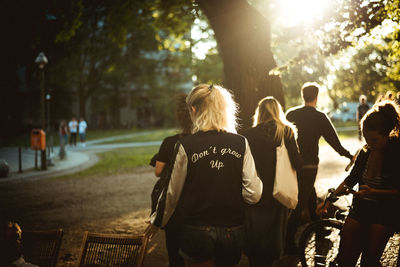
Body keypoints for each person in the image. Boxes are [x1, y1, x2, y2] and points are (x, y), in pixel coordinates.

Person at [149, 84, 263, 267]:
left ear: (193, 110)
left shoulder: (186, 145)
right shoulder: (241, 143)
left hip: (196, 229)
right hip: (232, 229)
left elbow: (172, 193)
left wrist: (157, 221)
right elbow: (254, 194)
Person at [317, 100, 400, 266]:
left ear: (386, 134)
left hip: (384, 211)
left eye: (374, 140)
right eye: (366, 138)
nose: (369, 143)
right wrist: (330, 199)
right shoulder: (365, 151)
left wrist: (373, 192)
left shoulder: (396, 152)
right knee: (346, 259)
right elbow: (351, 179)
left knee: (369, 261)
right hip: (360, 208)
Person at [285, 82, 353, 254]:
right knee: (300, 204)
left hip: (291, 164)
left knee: (310, 194)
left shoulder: (291, 114)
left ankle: (318, 226)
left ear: (303, 95)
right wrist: (349, 155)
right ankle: (288, 242)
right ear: (316, 97)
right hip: (309, 165)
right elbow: (333, 141)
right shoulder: (320, 117)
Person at [242, 97, 302, 267]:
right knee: (273, 237)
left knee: (255, 236)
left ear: (259, 113)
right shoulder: (287, 132)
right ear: (278, 111)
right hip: (278, 192)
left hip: (255, 192)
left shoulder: (247, 135)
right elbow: (298, 163)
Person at [149, 93, 192, 267]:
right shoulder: (203, 141)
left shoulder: (170, 142)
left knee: (175, 254)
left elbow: (158, 172)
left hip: (174, 208)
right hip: (196, 207)